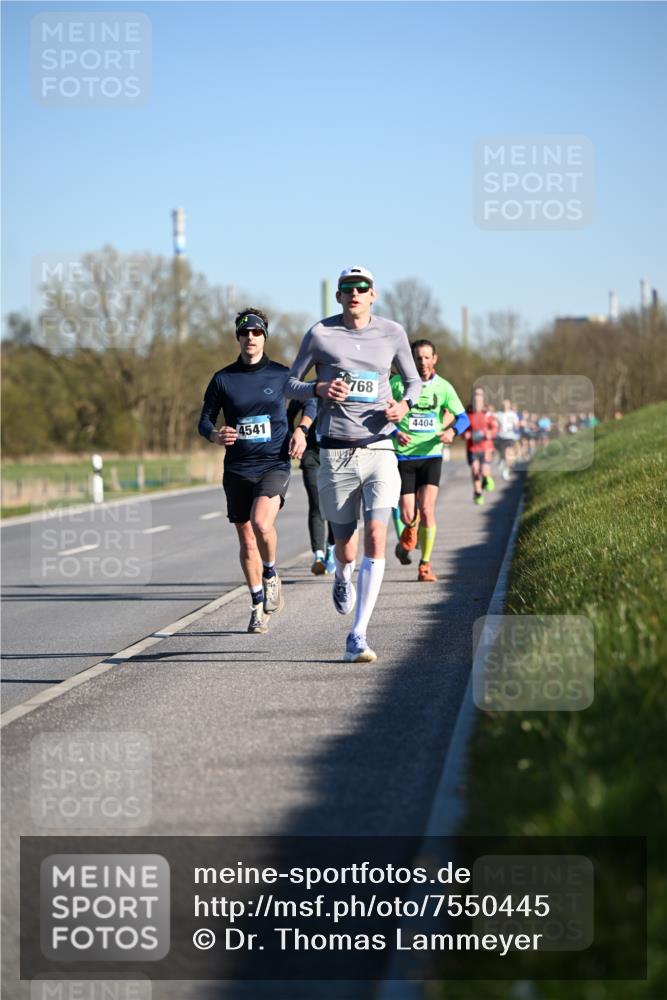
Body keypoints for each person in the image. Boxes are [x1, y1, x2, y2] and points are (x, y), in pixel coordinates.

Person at [287, 266, 421, 663]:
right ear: (339, 296)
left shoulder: (392, 332)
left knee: (377, 537)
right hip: (336, 452)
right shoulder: (320, 334)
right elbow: (289, 384)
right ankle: (343, 576)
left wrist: (404, 405)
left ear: (373, 294)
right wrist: (318, 387)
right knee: (346, 550)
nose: (355, 294)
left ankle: (358, 634)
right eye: (348, 288)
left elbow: (412, 381)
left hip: (380, 447)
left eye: (362, 288)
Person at [198, 308, 316, 634]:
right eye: (244, 332)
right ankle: (255, 605)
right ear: (237, 337)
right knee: (246, 540)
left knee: (262, 523)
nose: (250, 338)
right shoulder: (223, 379)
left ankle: (271, 573)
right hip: (237, 468)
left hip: (273, 463)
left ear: (265, 336)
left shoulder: (282, 375)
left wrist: (302, 430)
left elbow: (311, 402)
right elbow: (204, 420)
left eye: (256, 332)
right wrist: (215, 434)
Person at [390, 339, 469, 581]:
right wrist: (395, 432)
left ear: (434, 359)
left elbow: (463, 417)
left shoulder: (443, 387)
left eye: (427, 357)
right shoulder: (396, 384)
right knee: (407, 515)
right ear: (411, 360)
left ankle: (425, 565)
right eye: (418, 358)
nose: (422, 362)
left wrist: (452, 432)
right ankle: (409, 534)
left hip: (432, 454)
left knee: (427, 509)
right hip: (404, 455)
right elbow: (381, 414)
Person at [286, 398, 336, 575]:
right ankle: (318, 556)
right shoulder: (305, 391)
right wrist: (298, 438)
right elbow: (288, 417)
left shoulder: (339, 386)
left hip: (336, 455)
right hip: (312, 456)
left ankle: (332, 548)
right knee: (317, 504)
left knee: (334, 505)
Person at [464, 387, 498, 505]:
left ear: (483, 398)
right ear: (472, 398)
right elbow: (462, 429)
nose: (478, 398)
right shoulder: (467, 413)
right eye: (475, 395)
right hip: (472, 448)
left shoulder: (487, 414)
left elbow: (495, 428)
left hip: (486, 447)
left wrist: (490, 433)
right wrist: (465, 434)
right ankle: (478, 493)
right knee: (474, 469)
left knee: (483, 471)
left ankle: (486, 479)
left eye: (480, 395)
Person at [494, 398, 521, 481]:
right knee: (503, 454)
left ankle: (506, 471)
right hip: (500, 437)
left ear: (509, 405)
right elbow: (492, 422)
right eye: (503, 404)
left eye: (506, 404)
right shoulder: (498, 414)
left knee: (508, 455)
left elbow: (517, 424)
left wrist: (517, 425)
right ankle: (501, 459)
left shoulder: (513, 414)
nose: (505, 406)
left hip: (510, 437)